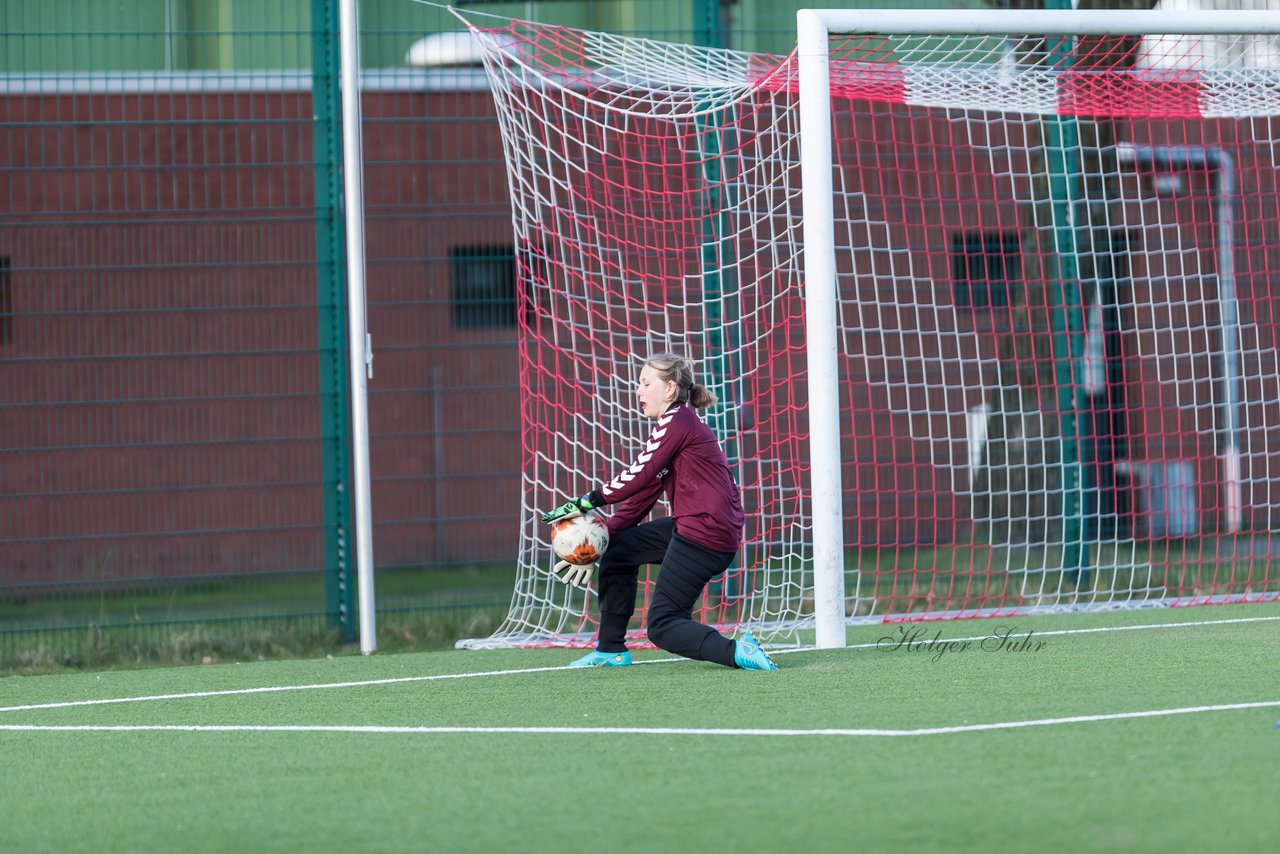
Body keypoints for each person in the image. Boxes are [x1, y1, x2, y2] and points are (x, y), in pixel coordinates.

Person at [540, 352, 777, 670]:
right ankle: (611, 650)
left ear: (669, 389)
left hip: (703, 533)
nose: (638, 391)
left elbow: (637, 473)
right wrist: (602, 535)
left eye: (645, 383)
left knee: (663, 626)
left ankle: (737, 650)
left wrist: (587, 502)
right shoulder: (677, 426)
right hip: (702, 528)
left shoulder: (677, 420)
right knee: (619, 551)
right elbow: (644, 491)